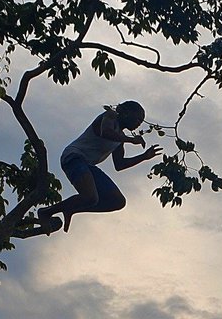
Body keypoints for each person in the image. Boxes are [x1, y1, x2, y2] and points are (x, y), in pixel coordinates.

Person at [37, 100, 162, 234]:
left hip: (87, 165)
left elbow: (119, 165)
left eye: (141, 121)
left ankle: (71, 208)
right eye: (137, 118)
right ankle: (46, 212)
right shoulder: (110, 115)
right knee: (91, 197)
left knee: (117, 201)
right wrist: (130, 140)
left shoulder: (120, 137)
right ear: (126, 112)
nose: (138, 123)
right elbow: (105, 132)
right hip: (74, 157)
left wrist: (144, 156)